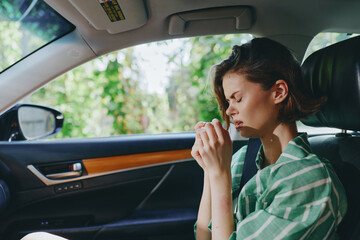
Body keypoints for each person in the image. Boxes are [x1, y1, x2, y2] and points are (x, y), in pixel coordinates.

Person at [191, 38, 347, 240]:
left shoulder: (311, 181)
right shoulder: (241, 160)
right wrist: (209, 171)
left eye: (238, 99)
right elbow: (204, 236)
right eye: (228, 101)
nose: (229, 110)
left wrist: (220, 175)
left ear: (279, 92)